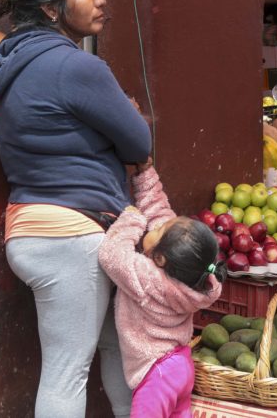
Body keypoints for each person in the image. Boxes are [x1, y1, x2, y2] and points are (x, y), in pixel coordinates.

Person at [0, 0, 151, 417]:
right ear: (52, 8)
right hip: (72, 238)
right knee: (67, 372)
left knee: (117, 348)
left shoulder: (13, 60)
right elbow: (138, 143)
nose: (102, 0)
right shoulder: (77, 67)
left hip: (38, 229)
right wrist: (128, 117)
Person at [98, 166, 222, 417]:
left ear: (162, 258)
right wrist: (145, 174)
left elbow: (111, 255)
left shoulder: (148, 279)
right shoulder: (196, 280)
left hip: (156, 374)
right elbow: (160, 212)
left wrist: (131, 219)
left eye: (158, 232)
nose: (154, 228)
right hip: (181, 366)